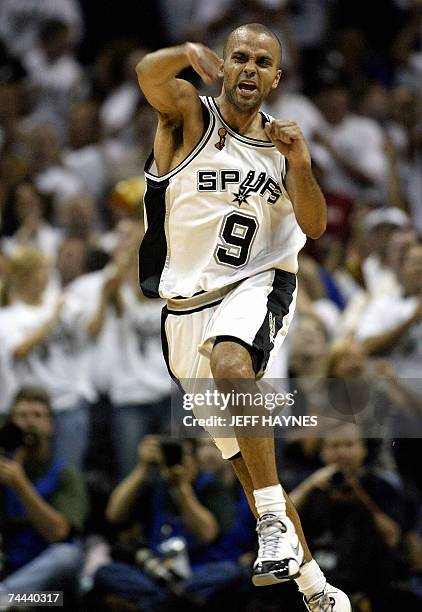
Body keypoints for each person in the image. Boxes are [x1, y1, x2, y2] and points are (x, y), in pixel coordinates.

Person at [136, 22, 351, 611]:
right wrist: (182, 53)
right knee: (252, 478)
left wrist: (302, 164)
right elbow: (147, 77)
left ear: (276, 77)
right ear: (224, 66)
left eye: (262, 61)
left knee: (235, 365)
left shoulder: (282, 146)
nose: (250, 68)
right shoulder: (190, 117)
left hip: (257, 284)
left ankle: (275, 526)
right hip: (183, 312)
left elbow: (313, 226)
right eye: (240, 57)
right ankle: (317, 591)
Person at [0, 386, 88, 596]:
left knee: (68, 555)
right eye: (21, 416)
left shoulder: (65, 474)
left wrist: (20, 484)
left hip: (50, 594)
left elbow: (59, 533)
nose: (29, 422)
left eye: (37, 415)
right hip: (10, 569)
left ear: (50, 425)